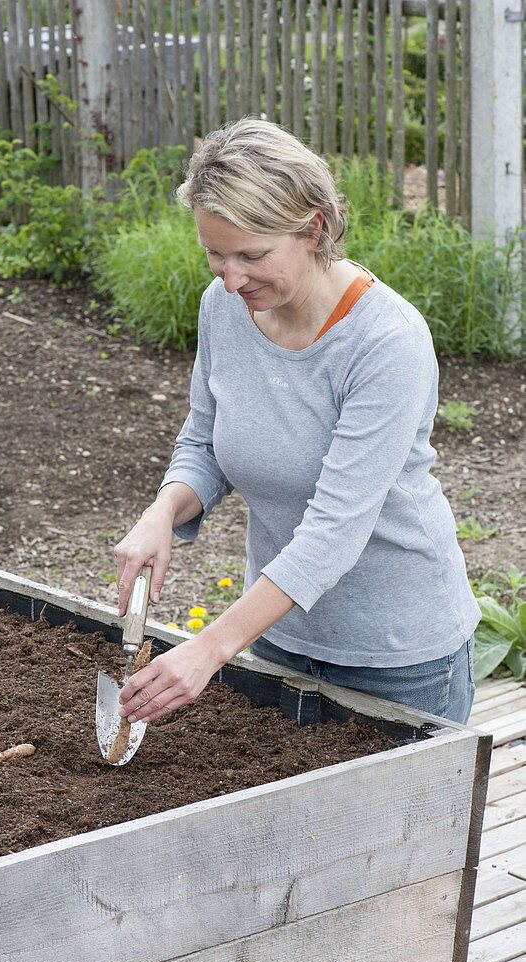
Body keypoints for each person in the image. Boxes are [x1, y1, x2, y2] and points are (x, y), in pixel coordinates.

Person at [114, 117, 480, 730]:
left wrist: (209, 647)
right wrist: (161, 513)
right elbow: (204, 440)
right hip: (281, 634)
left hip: (397, 655)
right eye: (215, 254)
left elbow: (336, 527)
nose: (231, 279)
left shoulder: (386, 340)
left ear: (313, 228)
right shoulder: (225, 307)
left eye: (253, 255)